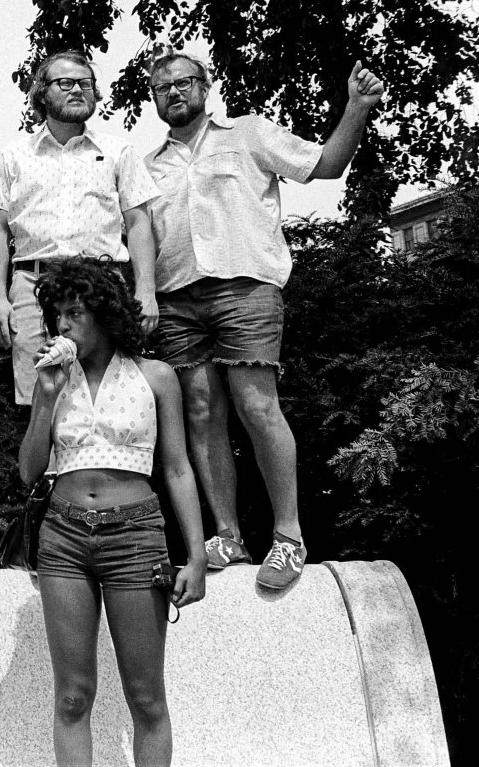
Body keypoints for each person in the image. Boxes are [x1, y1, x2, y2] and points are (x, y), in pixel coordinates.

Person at [144, 52, 385, 589]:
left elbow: (326, 165)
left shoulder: (248, 133)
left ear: (206, 86)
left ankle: (289, 536)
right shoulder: (147, 165)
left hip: (246, 287)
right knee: (201, 414)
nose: (175, 92)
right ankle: (227, 536)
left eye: (185, 82)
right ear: (155, 99)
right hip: (176, 299)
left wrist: (356, 106)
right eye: (163, 88)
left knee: (256, 405)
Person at [18, 257, 207, 767]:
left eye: (74, 313)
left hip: (136, 537)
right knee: (72, 696)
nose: (62, 325)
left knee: (146, 699)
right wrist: (45, 399)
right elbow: (29, 472)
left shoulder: (156, 376)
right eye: (57, 315)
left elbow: (177, 469)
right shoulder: (54, 379)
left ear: (104, 313)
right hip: (63, 537)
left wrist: (196, 556)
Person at [0, 50, 159, 408]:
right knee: (40, 399)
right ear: (42, 92)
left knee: (108, 396)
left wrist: (146, 291)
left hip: (102, 287)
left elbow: (139, 224)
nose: (77, 89)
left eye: (85, 83)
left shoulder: (118, 151)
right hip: (32, 287)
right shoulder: (14, 156)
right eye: (65, 83)